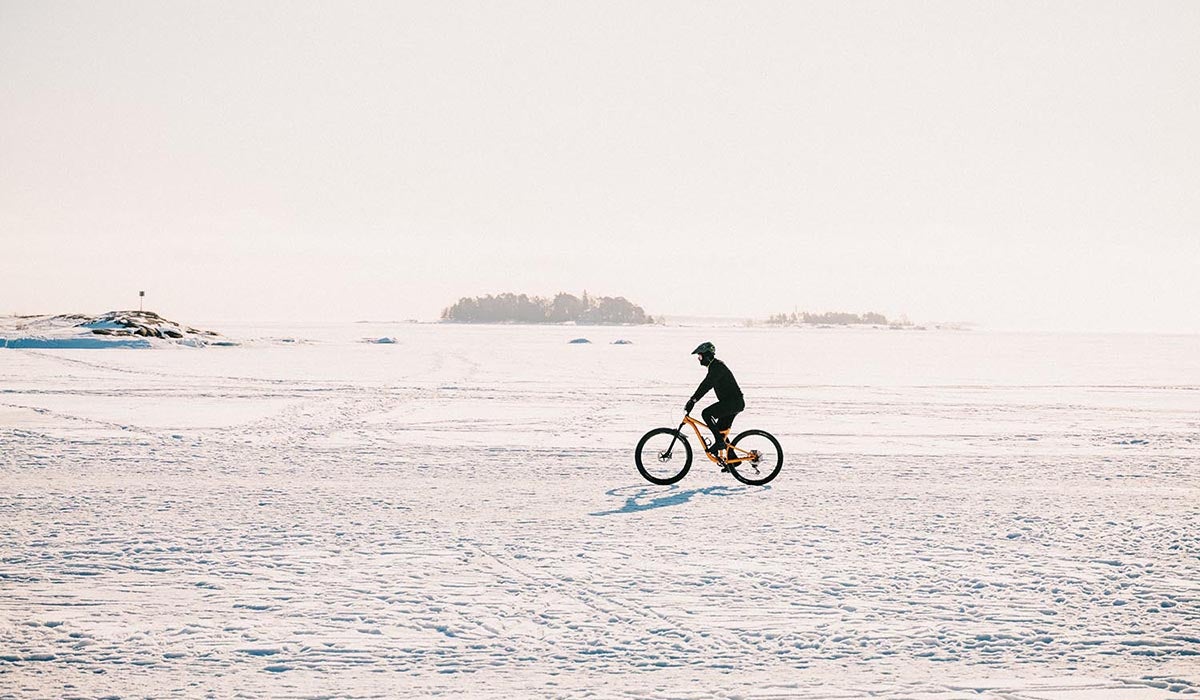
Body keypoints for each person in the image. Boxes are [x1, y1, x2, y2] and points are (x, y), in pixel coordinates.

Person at [684, 341, 745, 465]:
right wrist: (693, 400)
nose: (699, 359)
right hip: (733, 402)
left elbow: (706, 385)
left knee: (706, 414)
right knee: (720, 430)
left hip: (733, 402)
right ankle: (733, 460)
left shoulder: (717, 367)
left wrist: (693, 400)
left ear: (707, 355)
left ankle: (719, 443)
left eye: (700, 356)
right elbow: (707, 384)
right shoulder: (715, 366)